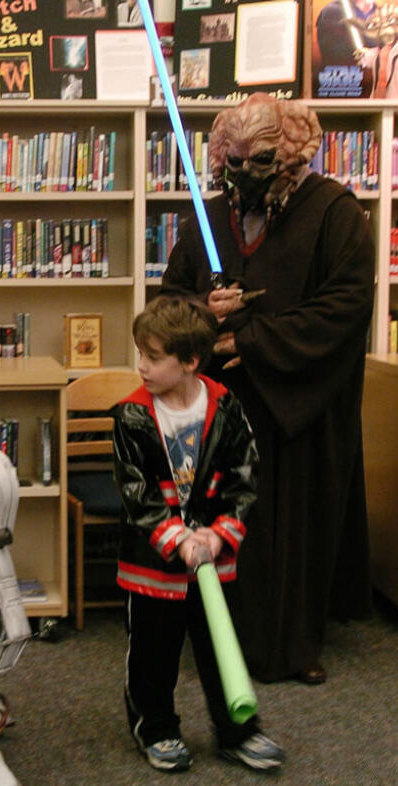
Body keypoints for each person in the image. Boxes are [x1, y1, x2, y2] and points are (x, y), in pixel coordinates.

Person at [158, 93, 375, 686]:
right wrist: (203, 309)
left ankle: (291, 645)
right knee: (223, 520)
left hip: (294, 409)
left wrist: (249, 342)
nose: (242, 176)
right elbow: (168, 301)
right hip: (222, 413)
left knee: (287, 531)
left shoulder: (336, 214)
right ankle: (214, 638)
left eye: (259, 162)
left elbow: (345, 308)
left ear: (292, 157)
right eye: (232, 162)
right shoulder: (207, 218)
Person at [112, 296, 284, 774]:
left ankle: (237, 732)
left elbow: (243, 479)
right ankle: (158, 729)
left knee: (220, 649)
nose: (141, 366)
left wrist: (216, 535)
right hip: (153, 568)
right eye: (139, 354)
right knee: (153, 655)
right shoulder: (131, 416)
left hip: (213, 560)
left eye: (152, 356)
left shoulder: (227, 408)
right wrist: (178, 539)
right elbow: (136, 491)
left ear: (189, 361)